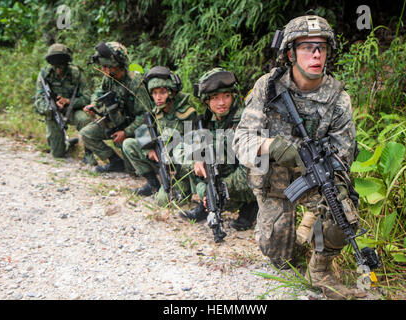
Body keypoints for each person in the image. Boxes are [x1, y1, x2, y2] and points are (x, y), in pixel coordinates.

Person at [233, 15, 362, 299]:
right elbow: (241, 141)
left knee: (344, 211)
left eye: (322, 47)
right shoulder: (268, 87)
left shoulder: (338, 98)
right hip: (274, 181)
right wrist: (273, 146)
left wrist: (337, 184)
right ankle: (301, 230)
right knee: (281, 256)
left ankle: (320, 269)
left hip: (312, 177)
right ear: (290, 53)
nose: (316, 54)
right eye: (307, 47)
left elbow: (343, 157)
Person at [181, 68, 258, 231]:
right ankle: (206, 204)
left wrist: (220, 187)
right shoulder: (206, 120)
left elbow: (251, 172)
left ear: (234, 96)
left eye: (226, 96)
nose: (221, 103)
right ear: (206, 101)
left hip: (243, 184)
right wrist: (197, 158)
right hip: (219, 180)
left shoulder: (245, 120)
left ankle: (250, 208)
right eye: (215, 98)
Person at [122, 66, 197, 206]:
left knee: (163, 202)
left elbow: (193, 148)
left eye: (162, 92)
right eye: (154, 93)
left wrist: (177, 166)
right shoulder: (157, 112)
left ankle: (186, 189)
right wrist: (149, 149)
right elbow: (146, 131)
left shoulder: (187, 113)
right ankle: (152, 183)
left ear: (172, 92)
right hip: (161, 159)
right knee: (129, 144)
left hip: (180, 168)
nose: (158, 97)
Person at [80, 41, 153, 173]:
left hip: (134, 129)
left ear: (117, 65)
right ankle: (115, 162)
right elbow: (98, 93)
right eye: (102, 66)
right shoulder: (109, 77)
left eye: (106, 66)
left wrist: (126, 133)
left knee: (132, 171)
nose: (103, 70)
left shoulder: (135, 83)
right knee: (86, 134)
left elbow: (146, 115)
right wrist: (94, 104)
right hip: (115, 122)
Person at [34, 43, 95, 163]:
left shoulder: (76, 74)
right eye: (55, 66)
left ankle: (89, 154)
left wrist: (68, 101)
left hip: (74, 110)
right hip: (54, 112)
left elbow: (87, 97)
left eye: (61, 66)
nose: (58, 70)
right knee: (58, 155)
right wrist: (51, 107)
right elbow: (38, 100)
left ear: (66, 63)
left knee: (85, 119)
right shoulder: (44, 75)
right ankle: (67, 143)